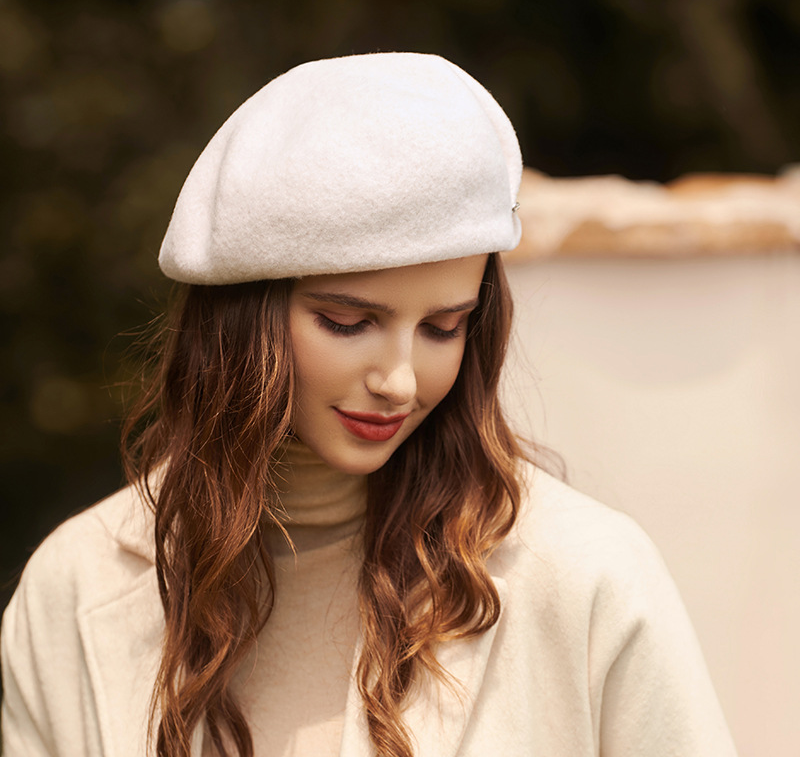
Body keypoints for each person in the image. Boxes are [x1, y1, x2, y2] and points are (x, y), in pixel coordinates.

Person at [0, 53, 737, 757]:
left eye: (443, 328)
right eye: (349, 323)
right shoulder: (74, 585)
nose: (400, 381)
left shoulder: (586, 574)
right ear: (240, 320)